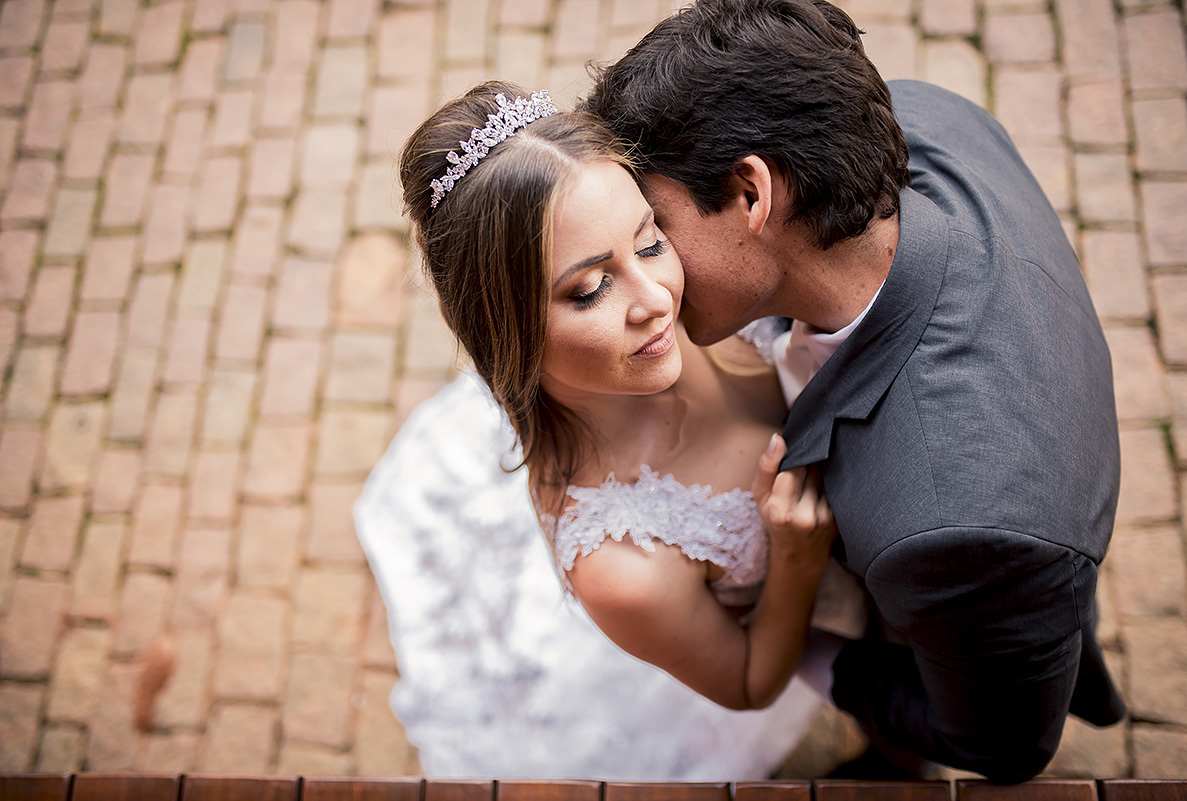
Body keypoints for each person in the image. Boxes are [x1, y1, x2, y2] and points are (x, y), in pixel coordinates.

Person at [583, 0, 1126, 783]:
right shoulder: (924, 114)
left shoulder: (955, 530)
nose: (653, 277)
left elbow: (1001, 746)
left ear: (750, 194)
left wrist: (790, 638)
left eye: (657, 228)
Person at [354, 81, 866, 779]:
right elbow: (748, 683)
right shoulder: (623, 562)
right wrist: (797, 563)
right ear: (508, 328)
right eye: (591, 289)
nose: (655, 301)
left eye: (649, 240)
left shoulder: (695, 283)